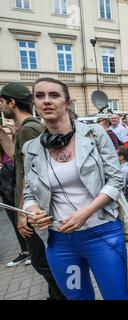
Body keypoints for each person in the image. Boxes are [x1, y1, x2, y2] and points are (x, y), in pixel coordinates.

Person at [22, 77, 128, 300]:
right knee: (78, 298)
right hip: (60, 245)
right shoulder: (31, 148)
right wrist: (32, 211)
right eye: (40, 96)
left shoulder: (94, 133)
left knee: (116, 297)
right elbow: (29, 193)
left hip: (102, 234)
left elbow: (116, 179)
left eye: (54, 95)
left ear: (67, 102)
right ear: (34, 103)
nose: (47, 101)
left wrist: (85, 213)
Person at [0, 82, 65, 300]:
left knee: (42, 261)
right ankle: (56, 294)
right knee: (44, 259)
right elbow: (19, 160)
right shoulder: (28, 128)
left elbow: (30, 175)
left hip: (34, 209)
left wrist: (23, 213)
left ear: (11, 102)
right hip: (34, 207)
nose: (1, 107)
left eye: (1, 102)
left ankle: (63, 295)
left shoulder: (29, 129)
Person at [0, 124, 31, 267]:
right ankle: (25, 251)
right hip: (6, 191)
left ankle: (32, 250)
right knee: (15, 223)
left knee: (25, 221)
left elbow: (19, 167)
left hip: (16, 191)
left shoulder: (14, 147)